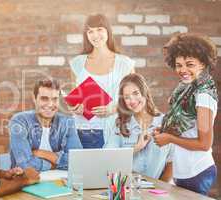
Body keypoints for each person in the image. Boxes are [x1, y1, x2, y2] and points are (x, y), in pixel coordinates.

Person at [154, 33, 218, 195]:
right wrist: (164, 132)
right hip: (182, 171)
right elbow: (185, 129)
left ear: (203, 64)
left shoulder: (203, 95)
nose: (183, 70)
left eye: (189, 64)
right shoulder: (186, 89)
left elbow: (204, 144)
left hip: (197, 172)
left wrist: (169, 138)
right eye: (178, 65)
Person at [68, 13, 135, 148]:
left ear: (108, 32)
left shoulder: (125, 63)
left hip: (114, 129)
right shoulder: (77, 63)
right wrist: (74, 108)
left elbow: (134, 99)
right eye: (90, 31)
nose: (95, 35)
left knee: (112, 169)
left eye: (99, 29)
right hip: (83, 129)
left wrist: (114, 108)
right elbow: (73, 99)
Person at [9, 78, 82, 172]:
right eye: (44, 99)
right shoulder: (20, 121)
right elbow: (25, 164)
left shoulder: (67, 122)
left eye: (54, 99)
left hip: (60, 181)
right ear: (34, 98)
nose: (50, 104)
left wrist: (43, 154)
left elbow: (78, 161)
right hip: (27, 182)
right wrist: (54, 164)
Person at [113, 73, 173, 181]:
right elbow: (110, 158)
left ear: (144, 92)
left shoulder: (165, 123)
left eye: (136, 93)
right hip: (127, 188)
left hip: (155, 192)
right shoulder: (120, 125)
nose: (132, 100)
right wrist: (137, 147)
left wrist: (158, 190)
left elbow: (171, 163)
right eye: (127, 97)